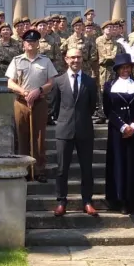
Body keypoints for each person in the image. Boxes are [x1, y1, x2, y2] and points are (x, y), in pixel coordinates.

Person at [103, 54, 134, 215]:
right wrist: (123, 126)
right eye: (122, 68)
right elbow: (108, 110)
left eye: (128, 67)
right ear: (117, 70)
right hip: (117, 132)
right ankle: (120, 200)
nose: (125, 70)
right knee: (119, 164)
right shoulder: (109, 85)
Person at [6, 29, 58, 183]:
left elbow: (51, 82)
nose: (31, 43)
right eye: (28, 41)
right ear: (24, 44)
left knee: (39, 136)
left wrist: (39, 91)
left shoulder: (45, 61)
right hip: (21, 103)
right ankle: (25, 170)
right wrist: (24, 92)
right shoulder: (16, 60)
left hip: (40, 102)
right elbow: (10, 83)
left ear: (38, 44)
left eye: (34, 41)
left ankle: (40, 170)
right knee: (22, 136)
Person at [51, 47, 97, 216]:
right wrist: (64, 120)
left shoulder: (90, 81)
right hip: (64, 130)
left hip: (85, 130)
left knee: (87, 169)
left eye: (78, 57)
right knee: (62, 169)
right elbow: (55, 107)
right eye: (72, 57)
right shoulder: (58, 81)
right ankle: (61, 201)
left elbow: (92, 106)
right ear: (66, 59)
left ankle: (87, 201)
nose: (75, 60)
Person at [95, 20, 126, 123]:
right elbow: (97, 57)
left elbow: (121, 57)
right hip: (102, 70)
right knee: (102, 92)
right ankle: (102, 114)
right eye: (108, 27)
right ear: (103, 29)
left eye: (112, 27)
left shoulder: (117, 43)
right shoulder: (98, 41)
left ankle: (113, 113)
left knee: (114, 92)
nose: (110, 29)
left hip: (114, 70)